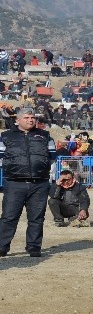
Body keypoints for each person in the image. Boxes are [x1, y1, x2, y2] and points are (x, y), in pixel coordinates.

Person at [0, 108, 56, 257]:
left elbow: (52, 157)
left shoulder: (45, 136)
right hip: (14, 183)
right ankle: (2, 247)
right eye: (26, 117)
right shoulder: (5, 136)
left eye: (32, 117)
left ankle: (34, 247)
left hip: (39, 184)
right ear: (18, 120)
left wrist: (43, 171)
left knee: (36, 218)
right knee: (9, 217)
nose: (30, 120)